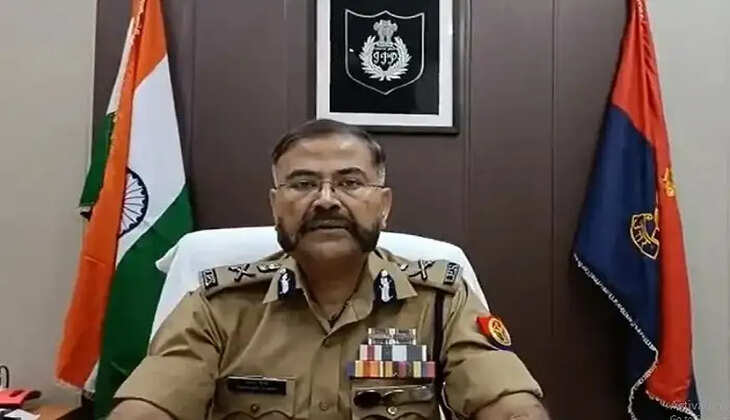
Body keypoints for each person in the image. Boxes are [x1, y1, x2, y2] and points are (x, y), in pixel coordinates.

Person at [109, 119, 549, 419]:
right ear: (275, 205)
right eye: (302, 184)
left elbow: (507, 401)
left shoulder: (441, 301)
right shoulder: (216, 307)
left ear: (384, 205)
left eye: (350, 182)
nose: (325, 200)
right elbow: (151, 405)